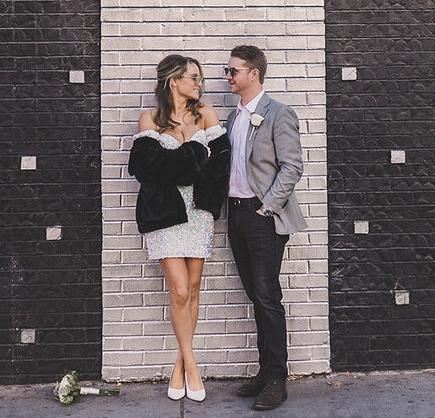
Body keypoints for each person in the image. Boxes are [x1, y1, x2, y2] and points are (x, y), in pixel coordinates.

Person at [128, 54, 231, 403]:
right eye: (192, 77)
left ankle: (179, 366)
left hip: (199, 211)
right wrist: (191, 152)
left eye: (199, 78)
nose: (198, 83)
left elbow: (219, 169)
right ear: (174, 81)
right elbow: (147, 169)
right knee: (180, 290)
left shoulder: (207, 115)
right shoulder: (150, 119)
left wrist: (180, 161)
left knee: (195, 286)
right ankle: (193, 367)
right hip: (164, 214)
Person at [224, 44, 306, 411]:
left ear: (253, 74)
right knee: (256, 295)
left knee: (268, 296)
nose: (228, 77)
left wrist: (266, 207)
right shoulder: (233, 117)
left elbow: (292, 166)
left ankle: (277, 379)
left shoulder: (278, 113)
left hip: (264, 217)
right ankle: (265, 370)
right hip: (236, 215)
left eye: (233, 71)